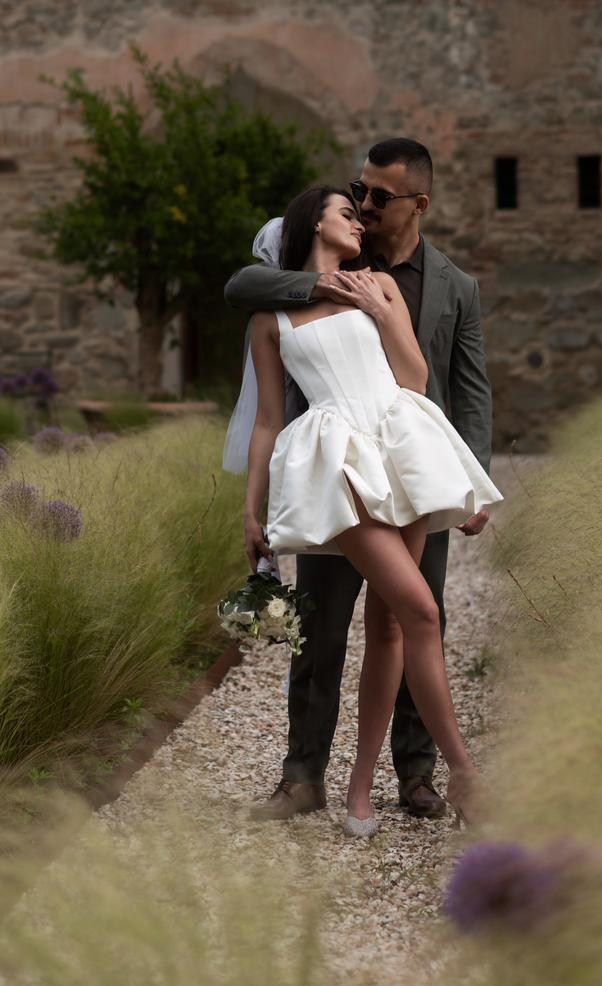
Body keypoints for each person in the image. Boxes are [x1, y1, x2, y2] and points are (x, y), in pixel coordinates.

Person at [225, 138, 494, 823]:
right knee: (357, 620)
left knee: (399, 625)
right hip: (335, 458)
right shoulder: (280, 305)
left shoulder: (401, 284)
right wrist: (251, 509)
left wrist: (474, 472)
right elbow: (267, 417)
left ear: (417, 202)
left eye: (376, 198)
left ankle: (373, 786)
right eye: (353, 199)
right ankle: (319, 775)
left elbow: (434, 381)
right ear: (315, 223)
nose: (363, 207)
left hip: (406, 448)